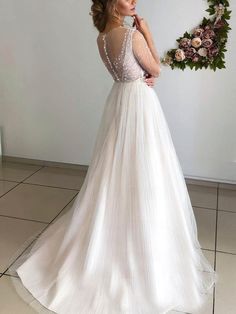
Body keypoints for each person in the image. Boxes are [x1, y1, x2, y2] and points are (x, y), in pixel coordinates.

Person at [9, 0, 218, 313]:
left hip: (119, 100)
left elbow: (133, 70)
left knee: (116, 169)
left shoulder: (101, 38)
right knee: (144, 170)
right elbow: (156, 68)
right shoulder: (131, 35)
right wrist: (147, 32)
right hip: (139, 103)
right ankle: (141, 242)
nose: (133, 0)